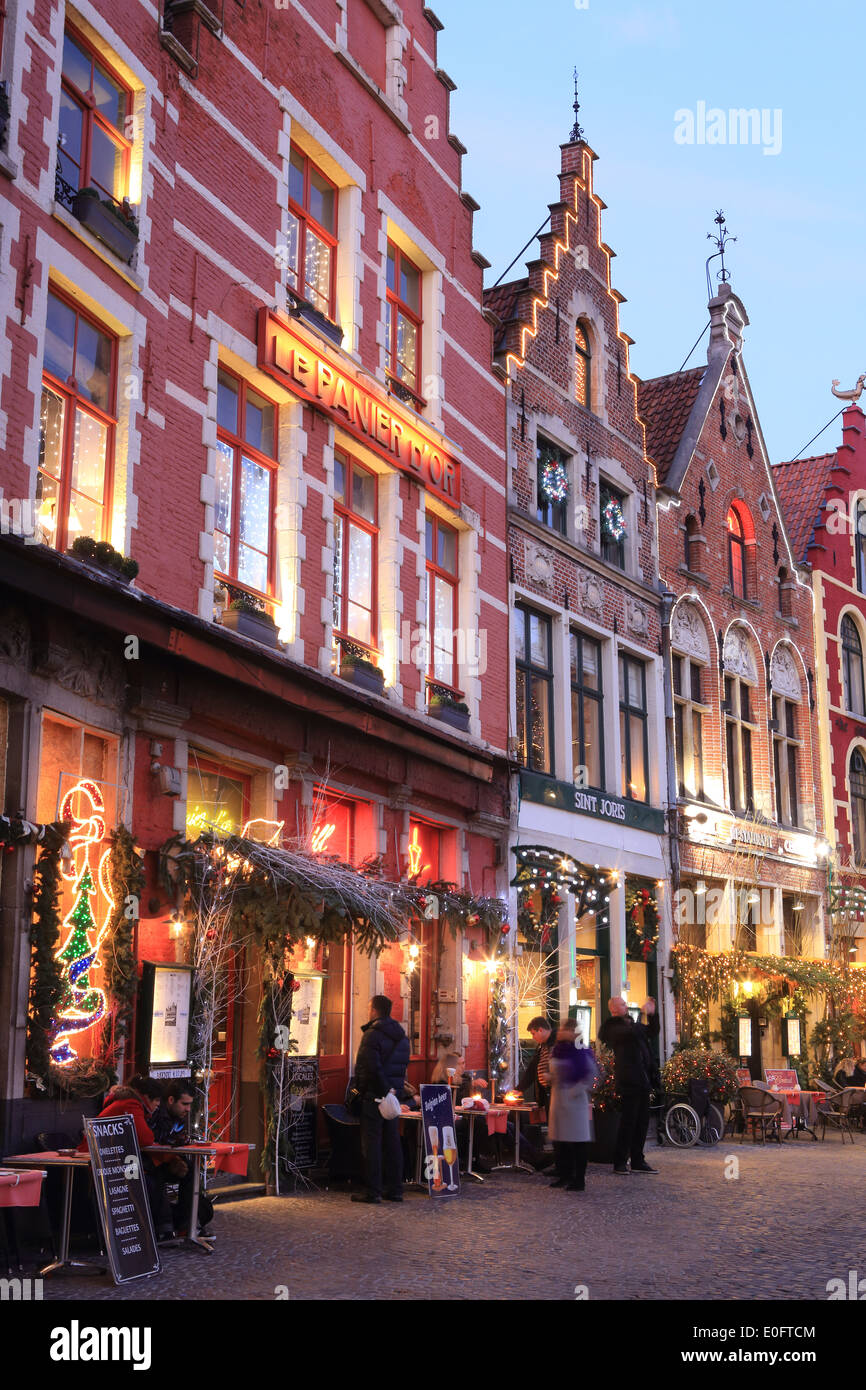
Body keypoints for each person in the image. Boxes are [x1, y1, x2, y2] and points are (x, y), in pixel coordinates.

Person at [76, 1076, 172, 1237]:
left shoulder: (126, 1102)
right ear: (147, 1097)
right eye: (156, 1100)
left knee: (153, 1174)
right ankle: (156, 1230)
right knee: (150, 1178)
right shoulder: (131, 1104)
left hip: (110, 1159)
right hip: (102, 1162)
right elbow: (145, 1138)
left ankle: (161, 1228)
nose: (157, 1105)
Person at [351, 995, 410, 1204]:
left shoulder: (372, 1035)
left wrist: (364, 1091)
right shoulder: (402, 1037)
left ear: (374, 1010)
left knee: (372, 1145)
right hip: (393, 1097)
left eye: (369, 1007)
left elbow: (369, 1068)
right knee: (393, 1142)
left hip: (375, 1097)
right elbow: (402, 1066)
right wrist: (393, 1092)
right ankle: (395, 1190)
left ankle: (373, 1191)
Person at [599, 996, 660, 1175]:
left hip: (643, 1080)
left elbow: (652, 1031)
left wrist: (652, 1014)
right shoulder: (612, 1027)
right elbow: (629, 1034)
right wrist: (642, 1015)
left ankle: (638, 1160)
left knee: (642, 1122)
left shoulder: (633, 1025)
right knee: (628, 1122)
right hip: (629, 1081)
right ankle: (620, 1161)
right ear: (615, 1009)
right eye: (623, 1004)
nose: (627, 1006)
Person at [518, 1017, 555, 1112]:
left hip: (558, 1094)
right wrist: (519, 1089)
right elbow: (532, 1069)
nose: (533, 1037)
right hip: (548, 1093)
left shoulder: (556, 1044)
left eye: (533, 1034)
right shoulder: (541, 1047)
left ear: (541, 1030)